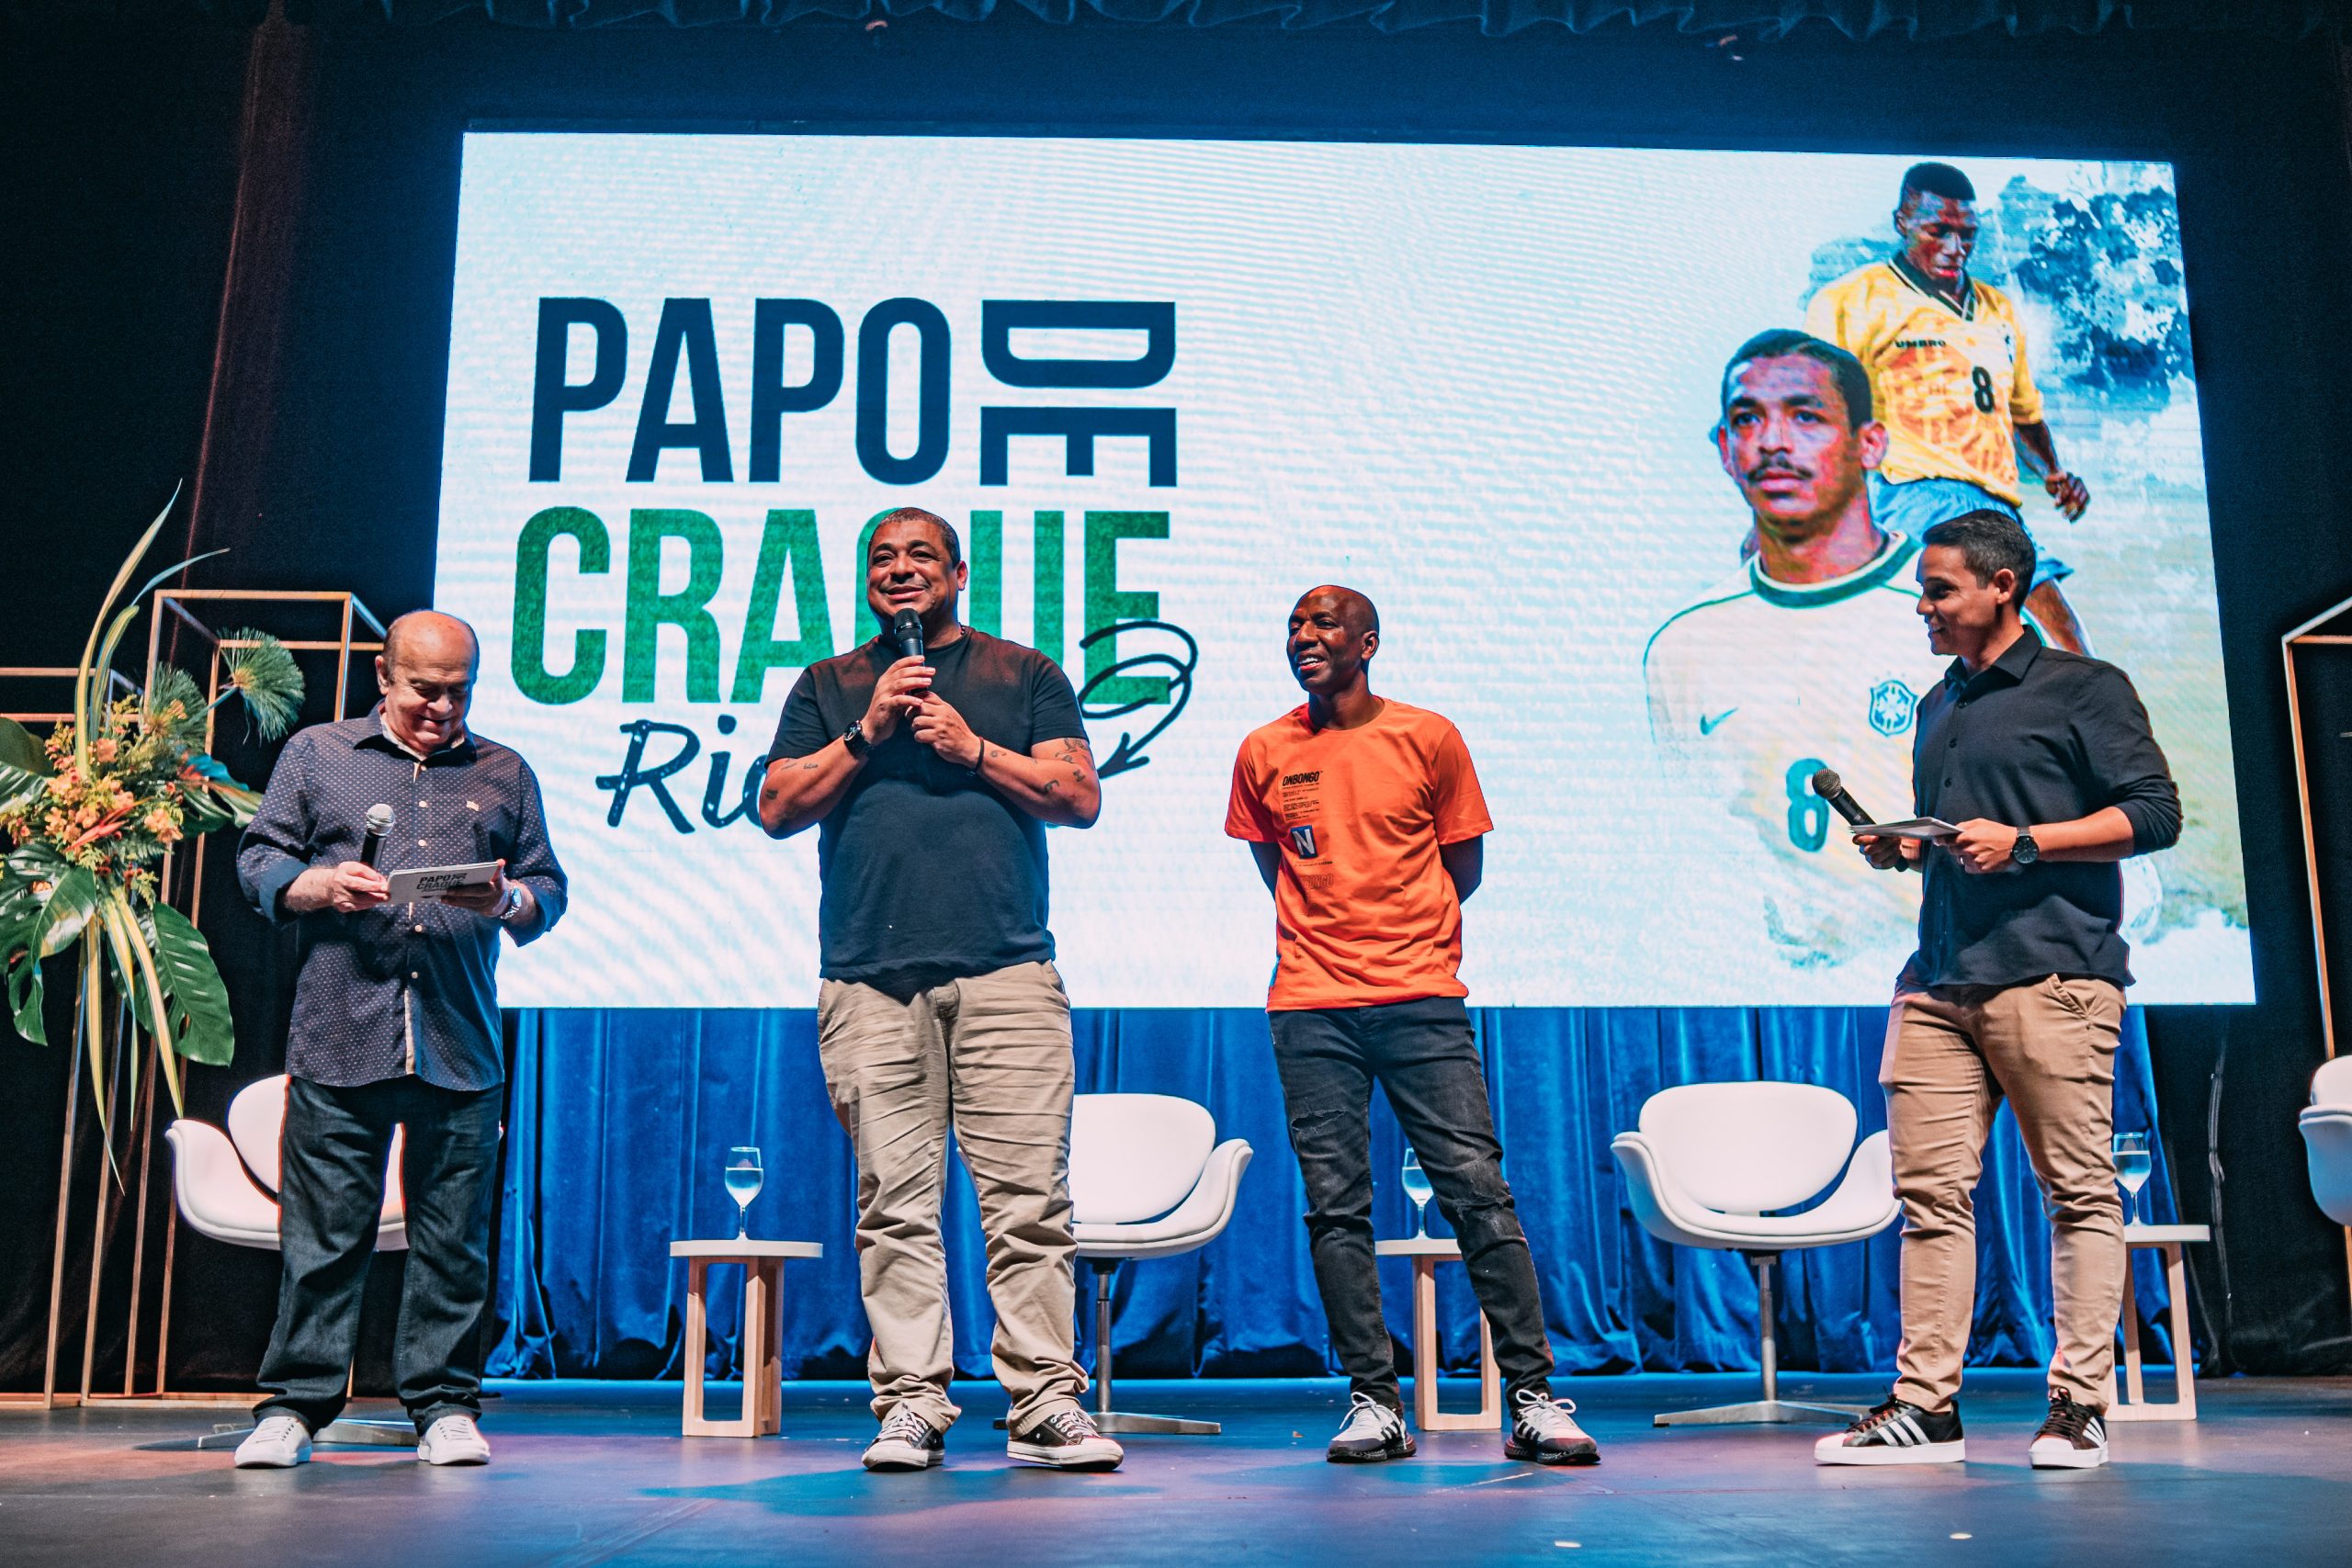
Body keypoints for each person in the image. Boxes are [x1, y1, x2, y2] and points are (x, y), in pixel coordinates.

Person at [758, 506, 1121, 1472]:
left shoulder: (1023, 674)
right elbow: (775, 806)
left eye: (921, 554)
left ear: (959, 572)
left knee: (1028, 1203)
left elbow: (1080, 798)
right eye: (882, 557)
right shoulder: (830, 685)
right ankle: (911, 1402)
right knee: (894, 1206)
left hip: (1007, 973)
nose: (900, 569)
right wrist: (867, 731)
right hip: (870, 983)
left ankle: (1044, 1402)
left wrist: (974, 751)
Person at [1816, 511, 2180, 1471]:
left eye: (1939, 590)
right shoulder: (1938, 703)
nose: (1923, 608)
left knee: (2078, 1194)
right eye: (1922, 592)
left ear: (2002, 586)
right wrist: (1911, 849)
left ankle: (2077, 1405)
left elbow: (2155, 814)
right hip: (1938, 981)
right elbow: (1963, 838)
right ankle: (1925, 1407)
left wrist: (2026, 843)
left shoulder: (2083, 686)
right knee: (1930, 1198)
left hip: (2053, 975)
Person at [1225, 586, 1598, 1468]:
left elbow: (1462, 866)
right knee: (1335, 1208)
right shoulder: (1263, 749)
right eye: (1294, 624)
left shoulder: (1428, 737)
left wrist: (1400, 940)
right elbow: (1276, 867)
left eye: (1324, 623)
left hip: (1419, 997)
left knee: (1477, 1192)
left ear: (1369, 642)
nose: (1304, 636)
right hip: (1310, 1005)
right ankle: (1374, 1400)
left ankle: (1532, 1396)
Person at [231, 611, 568, 1469]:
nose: (442, 708)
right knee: (324, 1239)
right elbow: (259, 858)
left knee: (452, 1242)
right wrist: (316, 885)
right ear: (384, 677)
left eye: (459, 692)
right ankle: (296, 1406)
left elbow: (546, 885)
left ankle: (444, 1406)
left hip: (459, 1038)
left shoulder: (504, 771)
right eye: (424, 689)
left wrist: (510, 901)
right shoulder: (319, 755)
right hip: (341, 1031)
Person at [1645, 330, 1952, 971]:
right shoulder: (1682, 644)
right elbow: (1697, 852)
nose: (1773, 442)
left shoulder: (1958, 614)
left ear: (1871, 444)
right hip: (1782, 992)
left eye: (1805, 417)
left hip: (1945, 984)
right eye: (1747, 419)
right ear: (1724, 450)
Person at [1804, 161, 2095, 654]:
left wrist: (2054, 473)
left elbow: (2021, 413)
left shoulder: (1997, 309)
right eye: (1938, 231)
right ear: (1902, 222)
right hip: (1915, 493)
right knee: (2066, 647)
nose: (1955, 247)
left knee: (2008, 662)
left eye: (1967, 235)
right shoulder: (1851, 301)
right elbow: (1818, 412)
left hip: (1995, 507)